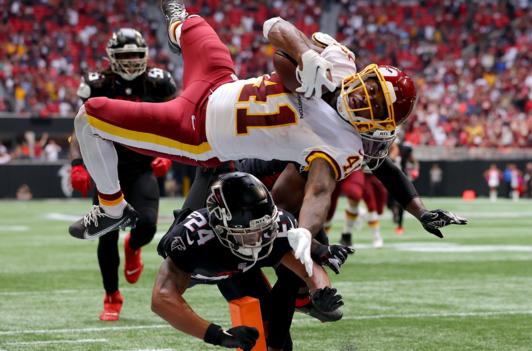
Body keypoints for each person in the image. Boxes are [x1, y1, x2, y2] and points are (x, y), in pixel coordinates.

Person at [69, 1, 418, 277]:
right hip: (219, 82)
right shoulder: (339, 65)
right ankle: (177, 26)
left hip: (197, 132)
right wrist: (307, 53)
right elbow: (274, 27)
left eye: (373, 102)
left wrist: (307, 233)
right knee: (193, 23)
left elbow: (319, 191)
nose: (362, 96)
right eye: (369, 86)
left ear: (380, 123)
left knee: (89, 116)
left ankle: (112, 208)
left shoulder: (343, 146)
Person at [152, 172, 346, 351]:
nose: (259, 239)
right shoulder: (193, 238)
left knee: (277, 341)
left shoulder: (278, 224)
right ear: (221, 226)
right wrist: (217, 335)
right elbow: (162, 299)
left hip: (238, 272)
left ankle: (302, 301)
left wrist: (321, 290)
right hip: (208, 265)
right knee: (207, 171)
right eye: (249, 234)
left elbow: (306, 267)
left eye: (264, 229)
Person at [69, 28, 177, 320]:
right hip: (107, 171)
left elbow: (175, 122)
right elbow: (80, 128)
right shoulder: (97, 84)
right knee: (106, 236)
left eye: (134, 55)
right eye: (124, 55)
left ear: (145, 56)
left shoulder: (159, 83)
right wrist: (78, 164)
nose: (130, 61)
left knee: (148, 227)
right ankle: (112, 297)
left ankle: (134, 247)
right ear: (111, 58)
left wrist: (167, 154)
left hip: (142, 166)